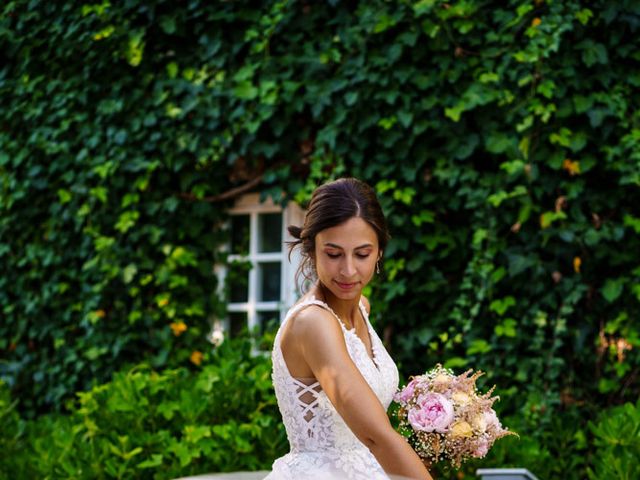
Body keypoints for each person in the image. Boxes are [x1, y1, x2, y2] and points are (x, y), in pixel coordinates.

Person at [264, 178, 433, 480]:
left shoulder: (362, 309)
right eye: (333, 254)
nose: (348, 270)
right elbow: (376, 436)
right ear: (311, 249)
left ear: (379, 252)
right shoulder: (312, 323)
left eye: (362, 254)